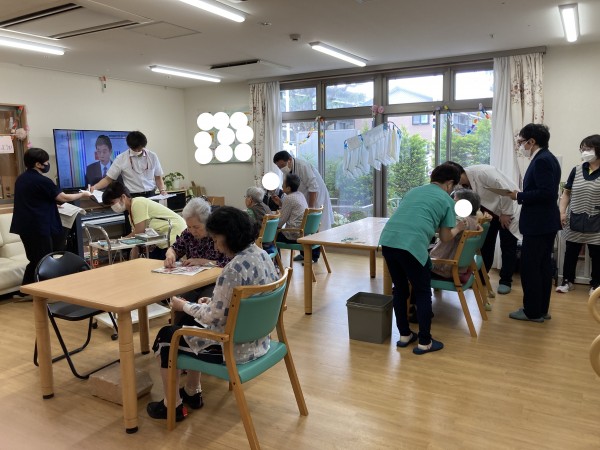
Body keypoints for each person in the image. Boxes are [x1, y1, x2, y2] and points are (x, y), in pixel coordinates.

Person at [147, 206, 279, 421]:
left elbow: (212, 317)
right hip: (259, 340)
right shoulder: (261, 255)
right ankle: (192, 392)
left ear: (229, 236)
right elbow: (242, 300)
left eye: (216, 240)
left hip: (232, 348)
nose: (215, 246)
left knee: (166, 337)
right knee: (188, 320)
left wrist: (182, 305)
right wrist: (211, 302)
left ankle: (172, 405)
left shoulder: (233, 269)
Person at [380, 163, 466, 355]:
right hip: (411, 246)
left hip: (388, 241)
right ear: (449, 183)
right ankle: (425, 342)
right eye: (454, 186)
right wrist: (458, 228)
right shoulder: (447, 200)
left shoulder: (414, 191)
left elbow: (414, 218)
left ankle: (404, 335)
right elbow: (445, 237)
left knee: (400, 289)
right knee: (422, 292)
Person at [10, 148, 93, 286]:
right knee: (44, 259)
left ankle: (25, 290)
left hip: (24, 226)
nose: (48, 164)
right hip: (38, 227)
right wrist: (83, 194)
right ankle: (43, 289)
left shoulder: (21, 179)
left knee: (36, 258)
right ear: (38, 164)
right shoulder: (43, 180)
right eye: (46, 162)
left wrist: (50, 205)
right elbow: (63, 197)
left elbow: (33, 199)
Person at [505, 123, 561, 323]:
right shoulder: (548, 158)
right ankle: (540, 309)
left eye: (521, 142)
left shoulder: (542, 160)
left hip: (538, 224)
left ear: (532, 141)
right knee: (542, 267)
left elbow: (547, 193)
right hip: (545, 223)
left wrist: (518, 195)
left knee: (531, 268)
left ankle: (532, 311)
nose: (520, 146)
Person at [449, 162, 522, 295]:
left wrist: (506, 213)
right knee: (486, 245)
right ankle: (482, 278)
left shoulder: (483, 172)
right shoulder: (461, 184)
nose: (452, 186)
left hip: (509, 210)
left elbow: (506, 190)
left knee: (508, 247)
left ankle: (506, 281)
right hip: (490, 212)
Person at [164, 197, 230, 323]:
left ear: (207, 222)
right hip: (193, 282)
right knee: (180, 305)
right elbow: (175, 248)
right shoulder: (188, 234)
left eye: (196, 227)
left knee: (200, 305)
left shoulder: (218, 234)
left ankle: (192, 330)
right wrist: (170, 255)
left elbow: (229, 261)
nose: (192, 231)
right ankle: (179, 330)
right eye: (189, 226)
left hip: (215, 282)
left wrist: (203, 261)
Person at [556, 134, 600, 296]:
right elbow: (566, 193)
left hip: (596, 220)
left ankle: (596, 285)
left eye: (588, 148)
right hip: (574, 217)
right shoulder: (577, 170)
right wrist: (562, 212)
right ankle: (567, 281)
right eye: (582, 149)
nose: (584, 152)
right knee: (571, 252)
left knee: (597, 254)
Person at [273, 150, 333, 262]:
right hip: (302, 198)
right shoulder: (294, 189)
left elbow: (313, 188)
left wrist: (310, 209)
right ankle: (305, 254)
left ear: (290, 160)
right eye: (279, 167)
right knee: (307, 226)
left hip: (315, 196)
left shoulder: (303, 166)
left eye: (282, 165)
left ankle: (312, 255)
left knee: (311, 226)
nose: (281, 169)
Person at [102, 181, 186, 260]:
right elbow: (138, 236)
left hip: (175, 234)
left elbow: (139, 231)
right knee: (150, 263)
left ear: (123, 197)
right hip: (163, 239)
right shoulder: (131, 213)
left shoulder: (137, 203)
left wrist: (120, 240)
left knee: (159, 265)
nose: (112, 206)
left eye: (112, 203)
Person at [91, 130, 167, 198]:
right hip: (133, 196)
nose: (137, 151)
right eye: (134, 148)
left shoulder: (152, 156)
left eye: (139, 148)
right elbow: (108, 179)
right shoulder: (121, 158)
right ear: (129, 146)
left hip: (151, 195)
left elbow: (158, 177)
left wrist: (162, 190)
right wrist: (95, 187)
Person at [430, 189, 482, 280]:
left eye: (454, 201)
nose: (452, 203)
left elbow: (441, 232)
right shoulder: (473, 220)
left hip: (442, 268)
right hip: (458, 268)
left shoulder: (461, 220)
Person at [275, 174, 311, 257]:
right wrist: (281, 204)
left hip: (294, 235)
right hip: (304, 232)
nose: (282, 185)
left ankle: (276, 262)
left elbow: (280, 222)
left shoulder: (289, 198)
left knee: (270, 236)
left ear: (288, 188)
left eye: (283, 184)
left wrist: (273, 220)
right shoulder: (300, 195)